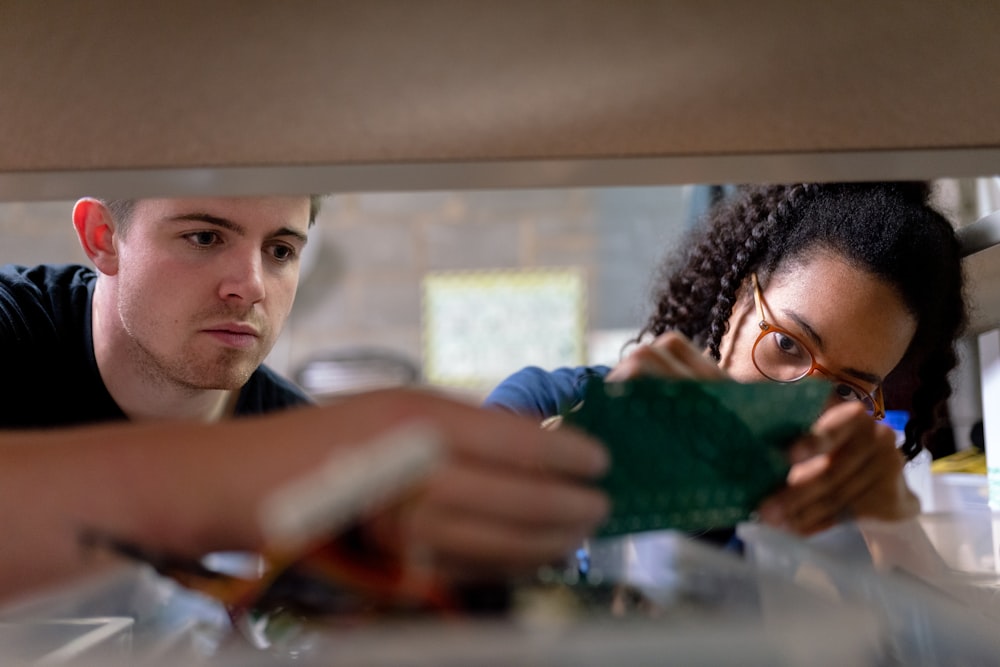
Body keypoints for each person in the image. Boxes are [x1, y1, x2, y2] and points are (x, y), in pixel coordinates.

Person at [0, 196, 609, 601]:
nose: (250, 286)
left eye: (281, 251)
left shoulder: (302, 443)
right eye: (205, 236)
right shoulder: (14, 329)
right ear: (103, 236)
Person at [485, 182, 967, 537]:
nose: (802, 399)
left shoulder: (822, 512)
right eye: (787, 344)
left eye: (845, 389)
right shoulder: (546, 401)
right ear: (738, 296)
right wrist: (591, 441)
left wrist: (896, 532)